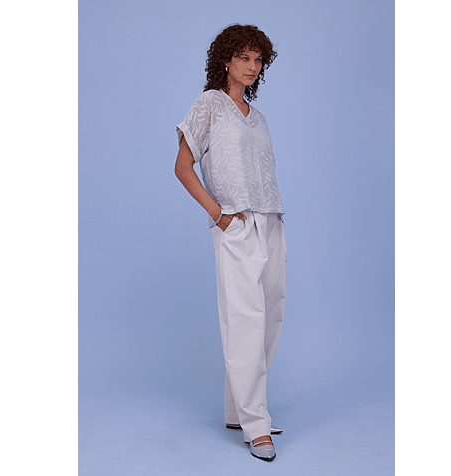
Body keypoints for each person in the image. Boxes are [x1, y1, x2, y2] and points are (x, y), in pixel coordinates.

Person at [174, 24, 286, 462]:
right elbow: (183, 166)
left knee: (271, 316)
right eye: (244, 58)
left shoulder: (258, 117)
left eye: (258, 60)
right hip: (235, 223)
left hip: (271, 220)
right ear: (225, 59)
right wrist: (218, 215)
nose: (252, 67)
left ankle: (238, 411)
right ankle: (256, 427)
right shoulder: (209, 105)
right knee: (244, 321)